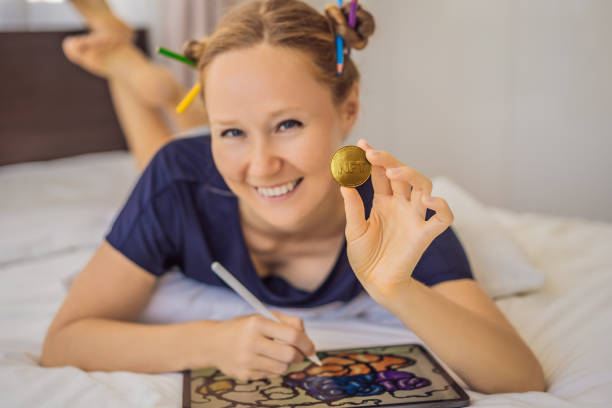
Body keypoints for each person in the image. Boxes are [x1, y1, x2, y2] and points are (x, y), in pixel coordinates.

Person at [41, 0, 546, 394]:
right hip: (192, 174)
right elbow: (65, 340)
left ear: (348, 109)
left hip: (209, 176)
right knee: (167, 159)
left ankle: (162, 88)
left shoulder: (391, 212)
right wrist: (208, 341)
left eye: (289, 124)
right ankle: (143, 81)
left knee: (204, 165)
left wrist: (396, 289)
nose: (263, 164)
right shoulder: (180, 182)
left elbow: (519, 377)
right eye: (230, 130)